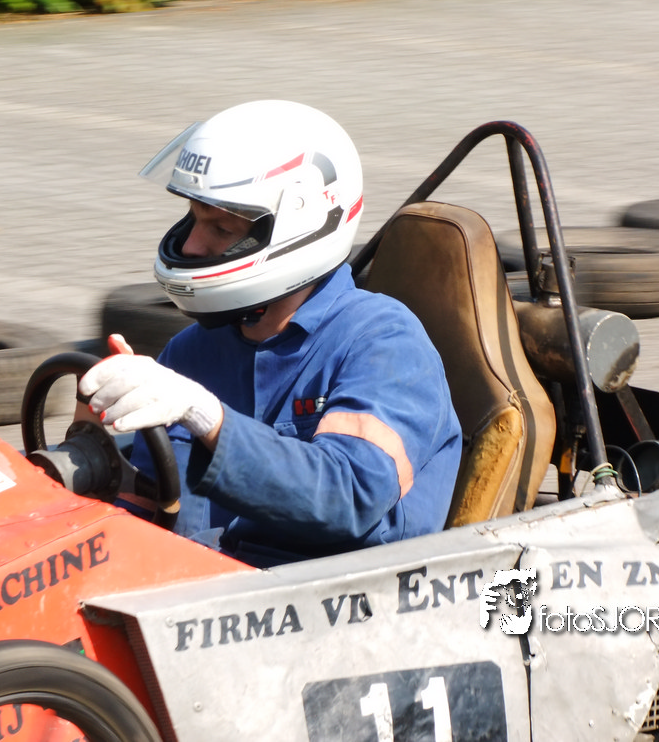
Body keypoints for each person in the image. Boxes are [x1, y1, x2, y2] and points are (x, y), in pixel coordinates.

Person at [80, 100, 461, 567]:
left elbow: (347, 497)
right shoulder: (192, 352)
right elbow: (150, 512)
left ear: (299, 225)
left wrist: (207, 418)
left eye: (221, 227)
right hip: (201, 588)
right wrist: (88, 452)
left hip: (343, 594)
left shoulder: (384, 343)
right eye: (194, 219)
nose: (193, 245)